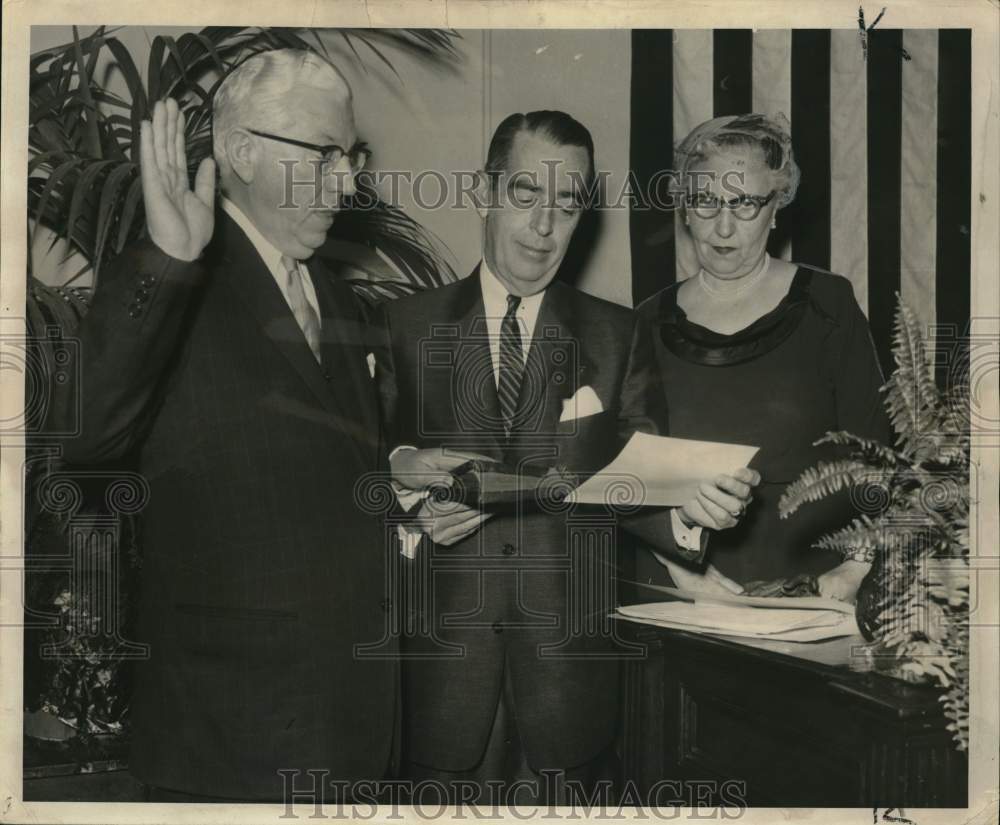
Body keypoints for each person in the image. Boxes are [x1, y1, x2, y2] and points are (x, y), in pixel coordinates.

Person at [373, 110, 759, 803]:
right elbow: (364, 466)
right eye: (526, 195)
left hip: (570, 693)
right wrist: (410, 503)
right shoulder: (406, 325)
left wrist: (690, 509)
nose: (545, 226)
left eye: (568, 203)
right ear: (484, 192)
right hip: (437, 689)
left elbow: (641, 479)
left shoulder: (617, 334)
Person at [56, 50, 396, 802]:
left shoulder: (339, 303)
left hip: (349, 725)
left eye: (353, 156)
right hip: (226, 738)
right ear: (241, 150)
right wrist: (171, 256)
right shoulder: (173, 276)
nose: (348, 181)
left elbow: (320, 472)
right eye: (326, 155)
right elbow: (84, 443)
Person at [634, 113, 891, 602]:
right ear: (685, 209)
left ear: (776, 210)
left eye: (746, 203)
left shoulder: (828, 304)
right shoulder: (646, 321)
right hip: (691, 592)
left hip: (819, 591)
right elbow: (635, 483)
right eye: (706, 201)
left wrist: (850, 575)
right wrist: (682, 575)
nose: (723, 225)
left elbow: (876, 458)